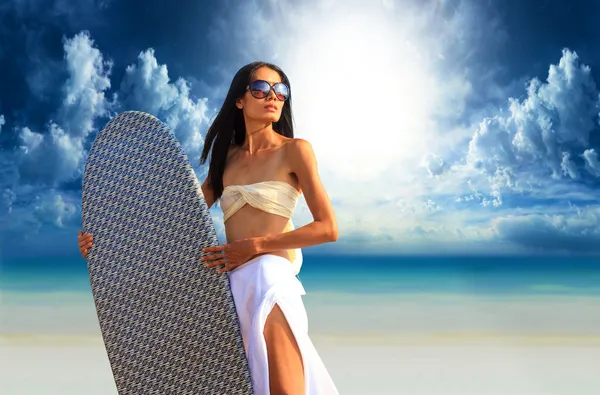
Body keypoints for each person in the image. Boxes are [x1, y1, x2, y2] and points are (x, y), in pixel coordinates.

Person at [77, 61, 340, 395]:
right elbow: (175, 222)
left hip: (270, 277)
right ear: (240, 100)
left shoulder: (296, 150)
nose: (272, 96)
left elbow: (328, 228)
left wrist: (256, 246)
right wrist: (102, 241)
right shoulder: (226, 158)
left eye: (281, 90)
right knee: (242, 385)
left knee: (285, 389)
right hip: (228, 285)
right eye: (261, 88)